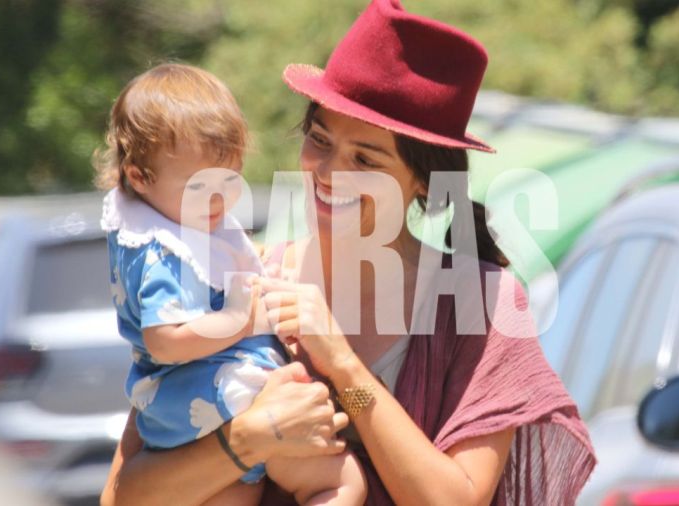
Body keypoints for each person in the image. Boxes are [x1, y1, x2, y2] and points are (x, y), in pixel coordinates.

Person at [101, 2, 596, 505]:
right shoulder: (248, 279)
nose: (327, 171)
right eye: (319, 140)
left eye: (365, 158)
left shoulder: (481, 305)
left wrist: (343, 367)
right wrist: (248, 440)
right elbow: (122, 497)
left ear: (425, 182)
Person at [94, 63, 366, 506]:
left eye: (230, 179)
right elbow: (163, 342)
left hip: (197, 418)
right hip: (219, 401)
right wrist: (240, 320)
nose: (220, 199)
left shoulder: (180, 220)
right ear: (139, 177)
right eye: (201, 186)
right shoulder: (161, 252)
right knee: (342, 482)